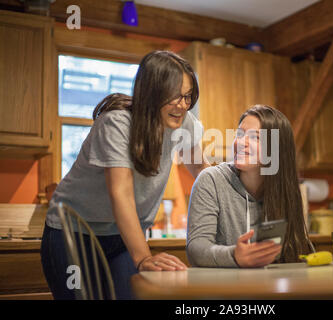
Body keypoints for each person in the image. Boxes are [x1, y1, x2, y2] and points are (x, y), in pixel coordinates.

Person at [41, 51, 209, 299]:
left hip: (121, 237)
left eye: (187, 96)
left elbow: (202, 172)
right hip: (74, 234)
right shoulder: (117, 123)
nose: (183, 105)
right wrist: (143, 258)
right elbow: (120, 193)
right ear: (151, 93)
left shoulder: (185, 123)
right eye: (175, 96)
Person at [187, 105, 313, 268]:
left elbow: (296, 247)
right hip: (221, 290)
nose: (241, 142)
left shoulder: (285, 189)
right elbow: (196, 250)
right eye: (239, 134)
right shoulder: (211, 180)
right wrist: (234, 255)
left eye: (255, 137)